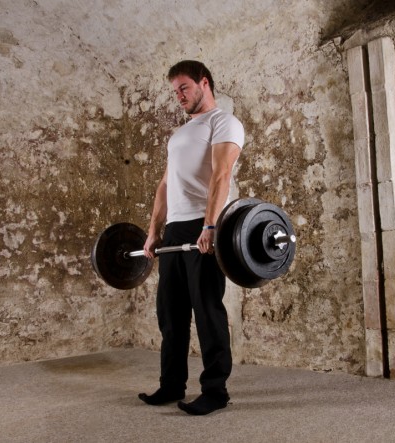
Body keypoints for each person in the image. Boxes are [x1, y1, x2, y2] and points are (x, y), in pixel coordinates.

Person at [138, 60, 244, 416]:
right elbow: (165, 185)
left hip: (204, 223)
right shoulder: (179, 134)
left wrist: (211, 226)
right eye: (175, 91)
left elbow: (221, 174)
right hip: (176, 229)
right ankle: (171, 384)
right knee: (170, 311)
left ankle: (216, 390)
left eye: (184, 87)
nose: (179, 96)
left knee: (207, 308)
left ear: (204, 83)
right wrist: (154, 230)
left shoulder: (224, 122)